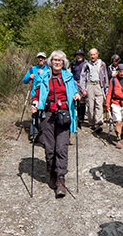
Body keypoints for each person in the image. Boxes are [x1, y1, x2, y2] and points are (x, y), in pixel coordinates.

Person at [31, 50, 81, 198]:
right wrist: (35, 103)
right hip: (47, 114)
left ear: (63, 62)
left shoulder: (68, 76)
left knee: (61, 147)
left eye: (59, 60)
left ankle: (60, 179)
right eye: (54, 60)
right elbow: (37, 91)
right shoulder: (44, 76)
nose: (57, 62)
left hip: (64, 115)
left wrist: (76, 95)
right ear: (50, 62)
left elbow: (73, 90)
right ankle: (51, 171)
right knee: (49, 148)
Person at [79, 48, 109, 132]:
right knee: (90, 105)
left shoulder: (102, 64)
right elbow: (82, 77)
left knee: (99, 104)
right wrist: (83, 89)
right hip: (90, 85)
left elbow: (105, 76)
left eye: (94, 54)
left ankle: (98, 122)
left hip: (99, 85)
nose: (92, 56)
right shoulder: (86, 64)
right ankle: (91, 123)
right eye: (91, 55)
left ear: (97, 55)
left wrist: (106, 88)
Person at [22, 52, 49, 141]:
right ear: (37, 59)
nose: (40, 59)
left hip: (46, 95)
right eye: (39, 58)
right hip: (35, 95)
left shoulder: (49, 69)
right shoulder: (32, 69)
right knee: (35, 114)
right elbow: (24, 80)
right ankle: (34, 133)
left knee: (45, 115)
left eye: (42, 58)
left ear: (45, 59)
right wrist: (29, 77)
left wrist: (44, 73)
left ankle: (44, 134)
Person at [105, 63, 123, 148]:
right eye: (120, 71)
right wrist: (107, 104)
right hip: (115, 103)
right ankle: (118, 138)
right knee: (118, 121)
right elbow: (109, 93)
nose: (122, 73)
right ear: (117, 71)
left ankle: (122, 133)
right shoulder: (113, 80)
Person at [69, 49, 87, 124]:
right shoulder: (73, 63)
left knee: (82, 101)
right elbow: (70, 72)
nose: (79, 56)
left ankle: (81, 117)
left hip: (83, 83)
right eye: (77, 55)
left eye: (80, 55)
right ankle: (73, 116)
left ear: (83, 56)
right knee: (74, 99)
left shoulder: (86, 64)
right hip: (75, 82)